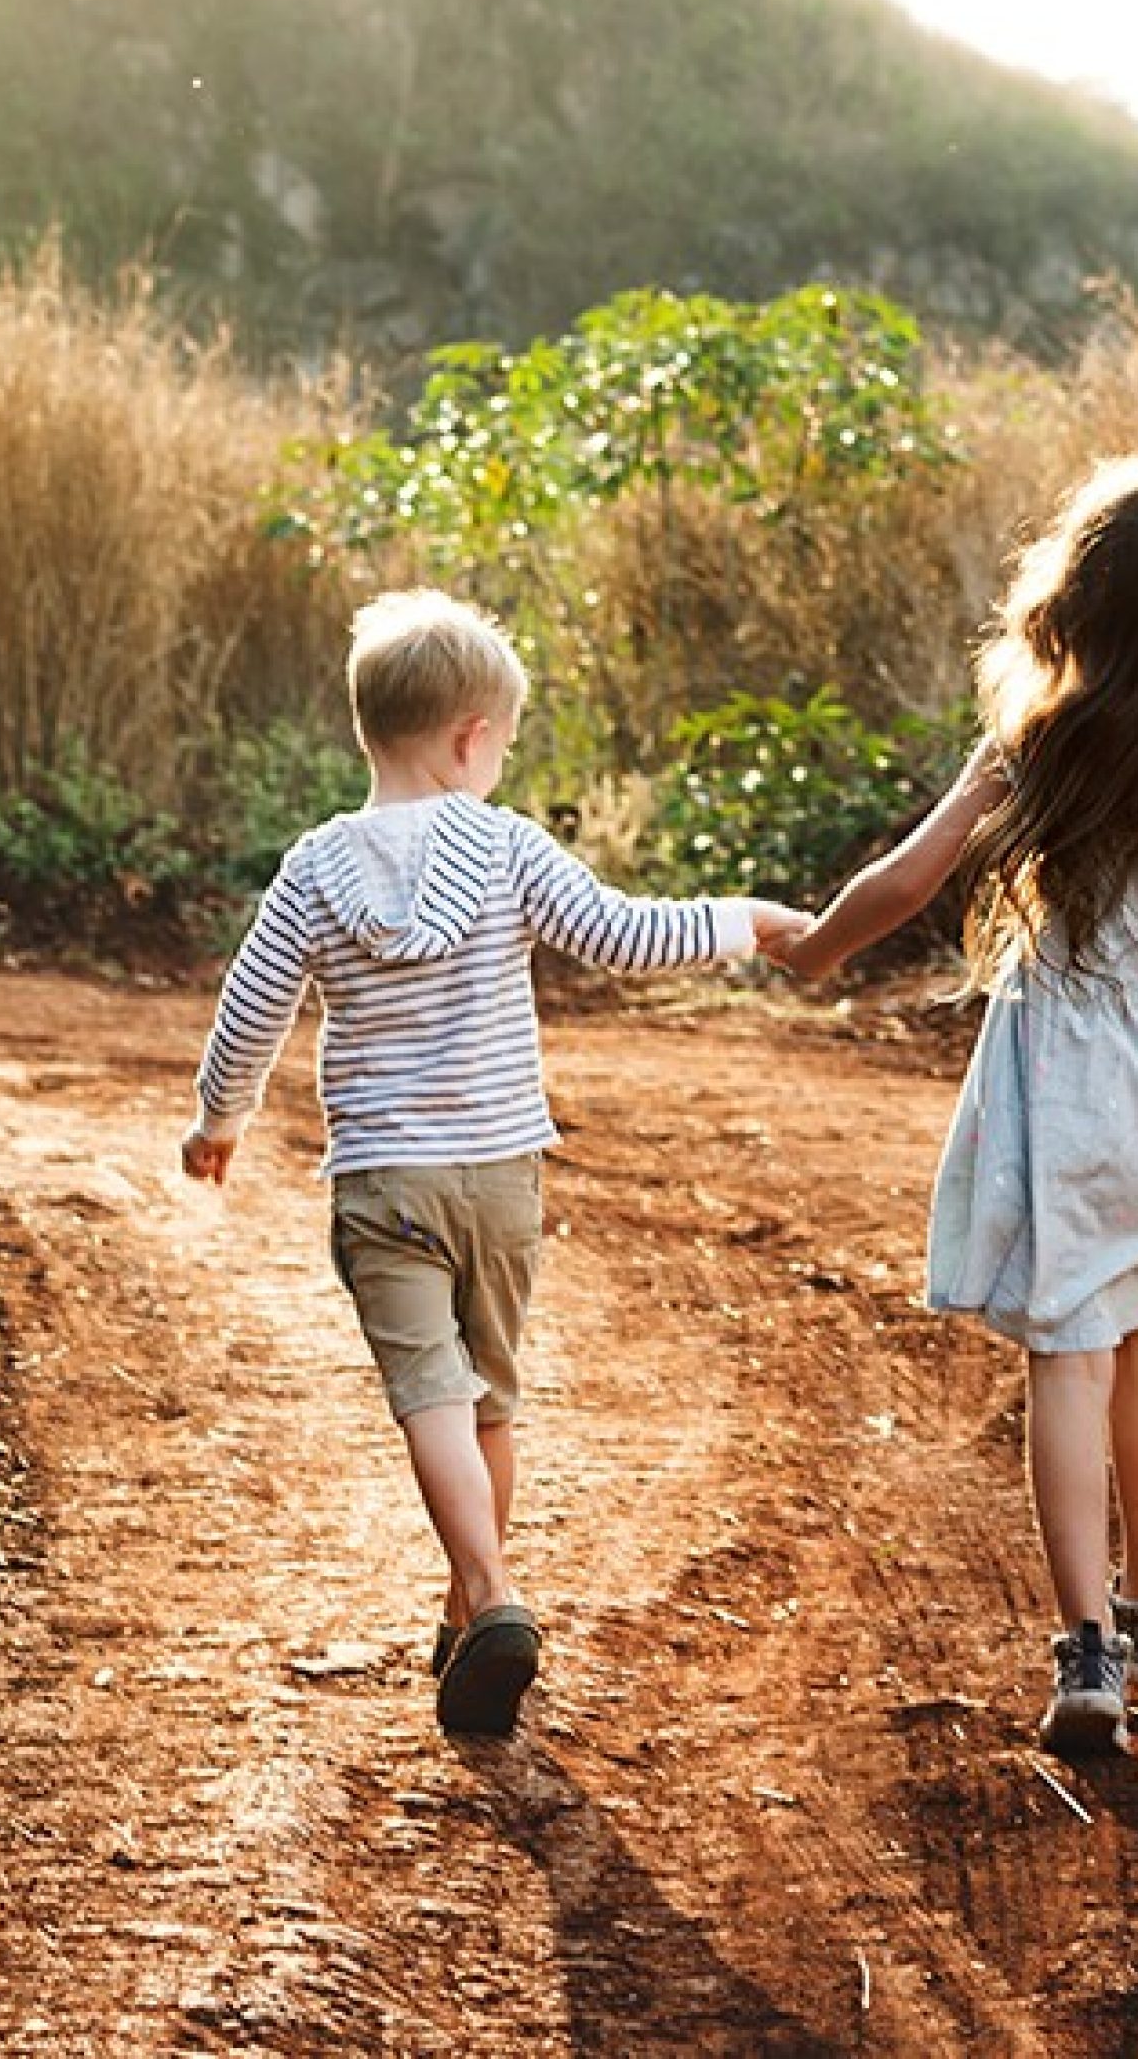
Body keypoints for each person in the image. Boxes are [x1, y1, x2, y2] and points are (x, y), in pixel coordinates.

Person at [768, 453, 1138, 1756]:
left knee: (1068, 1352)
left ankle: (1083, 1649)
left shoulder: (1030, 748)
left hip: (1071, 1081)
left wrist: (813, 944)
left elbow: (911, 880)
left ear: (1076, 604)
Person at [183, 589, 807, 1737]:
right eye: (505, 746)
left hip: (384, 1186)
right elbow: (625, 935)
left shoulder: (317, 869)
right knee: (488, 1400)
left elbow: (251, 1009)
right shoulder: (508, 848)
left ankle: (489, 1595)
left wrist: (219, 1121)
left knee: (428, 1393)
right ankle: (473, 1600)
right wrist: (747, 919)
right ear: (473, 738)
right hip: (500, 1179)